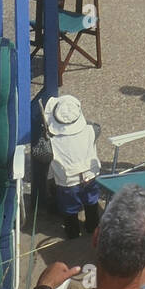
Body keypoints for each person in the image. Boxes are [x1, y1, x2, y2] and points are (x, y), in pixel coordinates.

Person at [45, 94, 102, 240]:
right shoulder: (92, 130)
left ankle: (73, 232)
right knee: (91, 201)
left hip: (68, 181)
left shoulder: (51, 141)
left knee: (69, 208)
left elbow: (41, 155)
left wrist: (44, 134)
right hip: (90, 175)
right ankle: (92, 226)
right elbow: (96, 127)